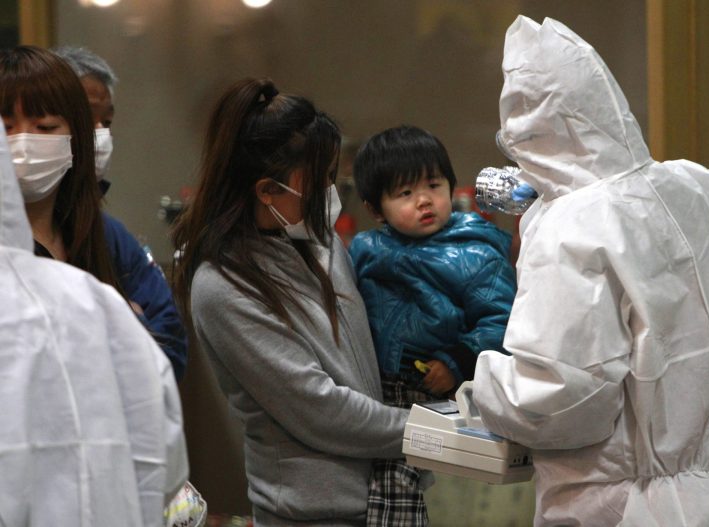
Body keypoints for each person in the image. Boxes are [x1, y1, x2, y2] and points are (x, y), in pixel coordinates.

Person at [471, 16, 709, 526]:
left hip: (621, 506)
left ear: (525, 129)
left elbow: (562, 400)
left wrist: (484, 385)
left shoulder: (573, 224)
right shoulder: (700, 188)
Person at [171, 77, 409, 526]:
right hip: (309, 514)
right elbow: (319, 409)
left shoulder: (320, 241)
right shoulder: (223, 285)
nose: (329, 190)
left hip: (382, 499)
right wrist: (428, 433)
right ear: (266, 190)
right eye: (318, 180)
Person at [0, 123, 188, 525]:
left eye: (44, 125)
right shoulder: (90, 300)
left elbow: (169, 343)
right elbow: (160, 457)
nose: (26, 140)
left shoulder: (101, 254)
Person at [348, 125, 517, 525]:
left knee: (417, 494)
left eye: (434, 186)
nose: (424, 200)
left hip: (435, 390)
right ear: (376, 208)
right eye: (405, 193)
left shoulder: (475, 252)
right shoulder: (365, 250)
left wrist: (457, 359)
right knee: (377, 495)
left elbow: (503, 321)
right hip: (372, 390)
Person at [53, 45, 188, 381]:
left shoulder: (109, 234)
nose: (99, 134)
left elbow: (171, 349)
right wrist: (124, 321)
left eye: (107, 122)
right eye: (86, 118)